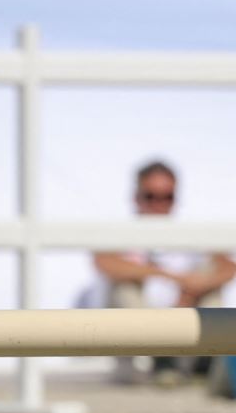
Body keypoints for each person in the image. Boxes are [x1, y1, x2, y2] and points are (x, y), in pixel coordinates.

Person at [86, 161, 235, 382]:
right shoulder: (121, 235)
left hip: (182, 319)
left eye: (167, 197)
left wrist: (194, 287)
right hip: (137, 330)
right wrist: (172, 277)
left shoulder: (190, 236)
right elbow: (105, 263)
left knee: (210, 283)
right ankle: (156, 359)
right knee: (125, 288)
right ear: (136, 196)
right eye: (151, 196)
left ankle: (200, 359)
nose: (159, 205)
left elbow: (227, 267)